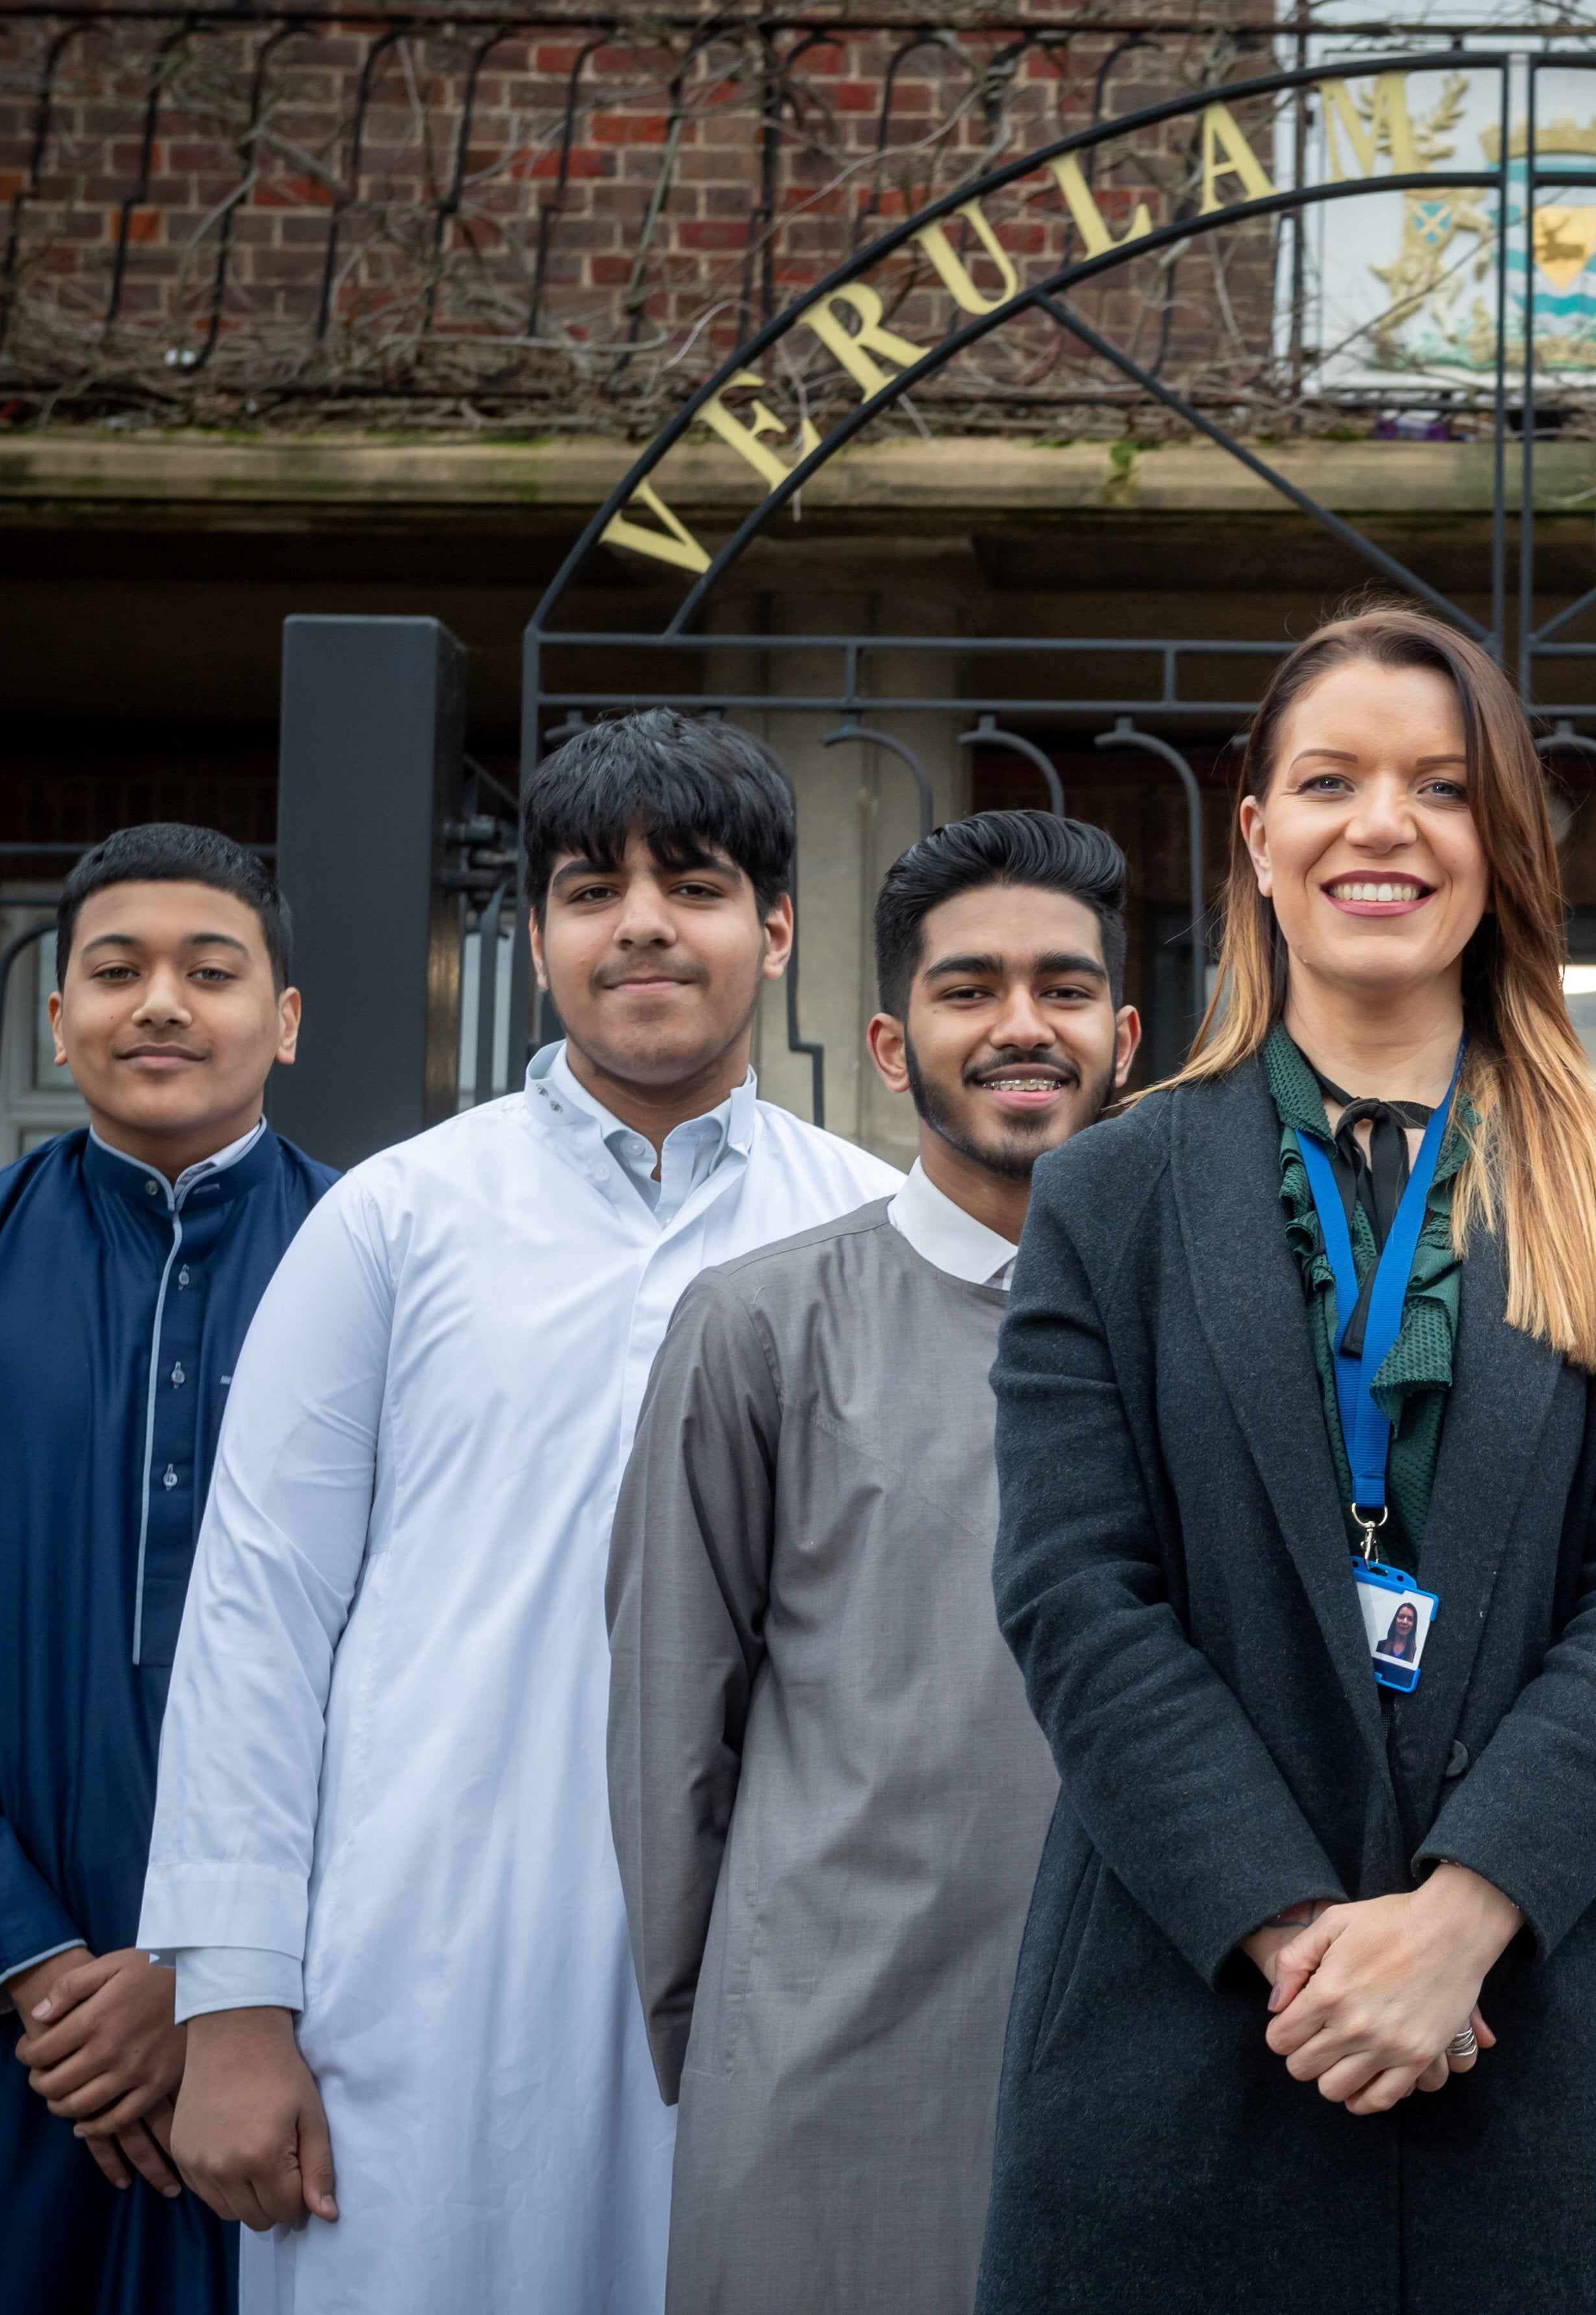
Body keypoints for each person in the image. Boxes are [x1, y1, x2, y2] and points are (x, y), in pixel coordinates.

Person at [979, 605, 1596, 2312]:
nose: (1381, 825)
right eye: (1329, 780)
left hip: (1546, 2031)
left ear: (1503, 843)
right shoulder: (1113, 1193)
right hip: (1190, 2033)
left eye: (1440, 785)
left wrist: (1461, 1916)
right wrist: (1306, 1945)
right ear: (1258, 835)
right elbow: (1073, 1592)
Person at [137, 711, 899, 2311]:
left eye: (689, 886)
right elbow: (258, 1615)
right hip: (418, 1971)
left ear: (773, 927)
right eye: (586, 888)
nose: (637, 924)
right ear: (536, 935)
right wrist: (232, 2004)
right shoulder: (395, 1221)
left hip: (766, 1977)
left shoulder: (869, 1233)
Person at [0, 825, 330, 2314]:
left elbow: (418, 1655)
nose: (161, 1002)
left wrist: (203, 1971)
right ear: (57, 1019)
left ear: (283, 1020)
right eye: (117, 970)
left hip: (279, 2011)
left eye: (210, 971)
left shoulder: (373, 1263)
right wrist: (38, 1966)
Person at [608, 810, 1134, 2315]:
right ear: (895, 1047)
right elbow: (668, 1729)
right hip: (815, 2076)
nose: (1021, 1027)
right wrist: (721, 2044)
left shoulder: (1204, 1339)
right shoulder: (758, 1325)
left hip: (1142, 2068)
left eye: (1063, 989)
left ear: (1123, 1034)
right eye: (969, 990)